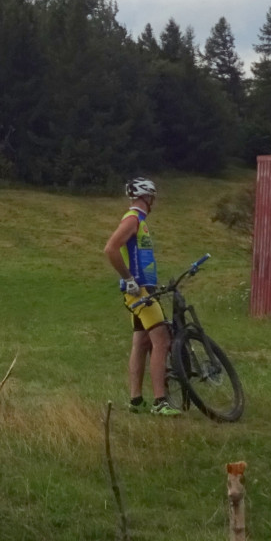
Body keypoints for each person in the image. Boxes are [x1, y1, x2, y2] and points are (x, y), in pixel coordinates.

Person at [105, 176, 179, 414]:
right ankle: (160, 401)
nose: (153, 201)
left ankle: (136, 400)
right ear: (147, 197)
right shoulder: (133, 219)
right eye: (152, 197)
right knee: (162, 340)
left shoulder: (139, 220)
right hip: (140, 291)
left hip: (144, 288)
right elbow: (111, 248)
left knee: (141, 341)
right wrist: (129, 280)